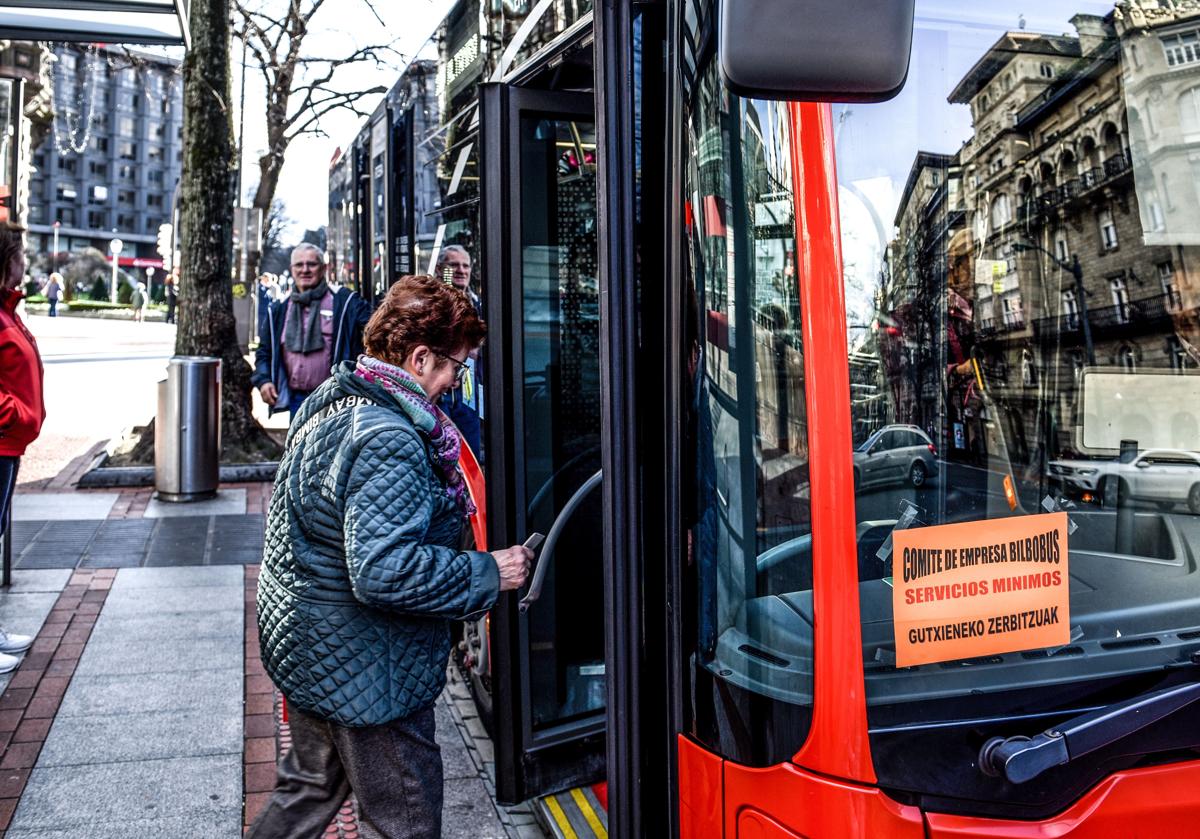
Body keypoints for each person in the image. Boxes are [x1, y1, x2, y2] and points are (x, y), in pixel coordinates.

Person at [248, 274, 532, 839]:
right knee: (403, 820)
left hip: (311, 648)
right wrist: (489, 571)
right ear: (421, 358)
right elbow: (384, 571)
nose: (455, 382)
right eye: (455, 366)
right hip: (369, 670)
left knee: (305, 794)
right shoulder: (389, 438)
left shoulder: (335, 402)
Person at [252, 244, 371, 420]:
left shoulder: (345, 301)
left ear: (323, 268)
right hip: (297, 401)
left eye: (311, 264)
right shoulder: (279, 309)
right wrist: (264, 380)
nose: (305, 270)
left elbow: (375, 332)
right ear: (292, 269)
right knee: (299, 448)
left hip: (338, 400)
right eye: (299, 265)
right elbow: (264, 352)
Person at [0, 223, 42, 673]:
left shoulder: (8, 310)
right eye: (19, 255)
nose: (24, 263)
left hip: (10, 445)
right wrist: (12, 415)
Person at [435, 245, 484, 459]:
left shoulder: (479, 305)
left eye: (465, 265)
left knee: (470, 456)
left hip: (468, 394)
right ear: (440, 269)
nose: (461, 270)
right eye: (453, 265)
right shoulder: (431, 305)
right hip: (439, 395)